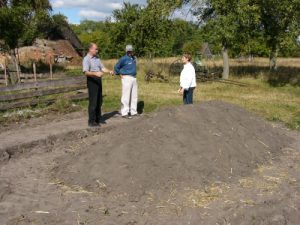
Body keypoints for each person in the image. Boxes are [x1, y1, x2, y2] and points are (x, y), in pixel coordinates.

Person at [83, 43, 113, 127]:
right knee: (93, 101)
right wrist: (96, 73)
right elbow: (86, 72)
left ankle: (97, 119)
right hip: (92, 80)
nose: (97, 50)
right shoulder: (86, 59)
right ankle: (91, 121)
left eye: (97, 49)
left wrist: (109, 71)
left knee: (99, 100)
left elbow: (102, 68)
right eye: (95, 49)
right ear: (90, 49)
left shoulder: (97, 58)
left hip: (98, 80)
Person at [114, 45, 138, 119]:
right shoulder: (123, 59)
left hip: (134, 77)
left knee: (134, 96)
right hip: (126, 77)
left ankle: (133, 112)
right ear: (126, 51)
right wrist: (119, 74)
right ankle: (124, 112)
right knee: (126, 96)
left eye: (131, 50)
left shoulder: (134, 58)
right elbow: (116, 67)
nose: (130, 52)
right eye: (129, 51)